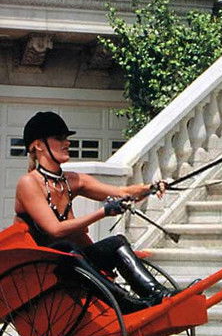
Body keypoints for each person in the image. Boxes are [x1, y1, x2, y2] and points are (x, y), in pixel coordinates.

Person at [14, 110, 172, 313]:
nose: (67, 143)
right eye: (59, 138)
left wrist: (150, 188)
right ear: (38, 145)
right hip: (43, 269)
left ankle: (159, 295)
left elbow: (121, 192)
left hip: (73, 262)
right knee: (66, 248)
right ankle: (125, 303)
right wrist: (103, 212)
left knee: (116, 243)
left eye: (66, 138)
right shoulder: (28, 183)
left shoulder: (72, 180)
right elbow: (55, 230)